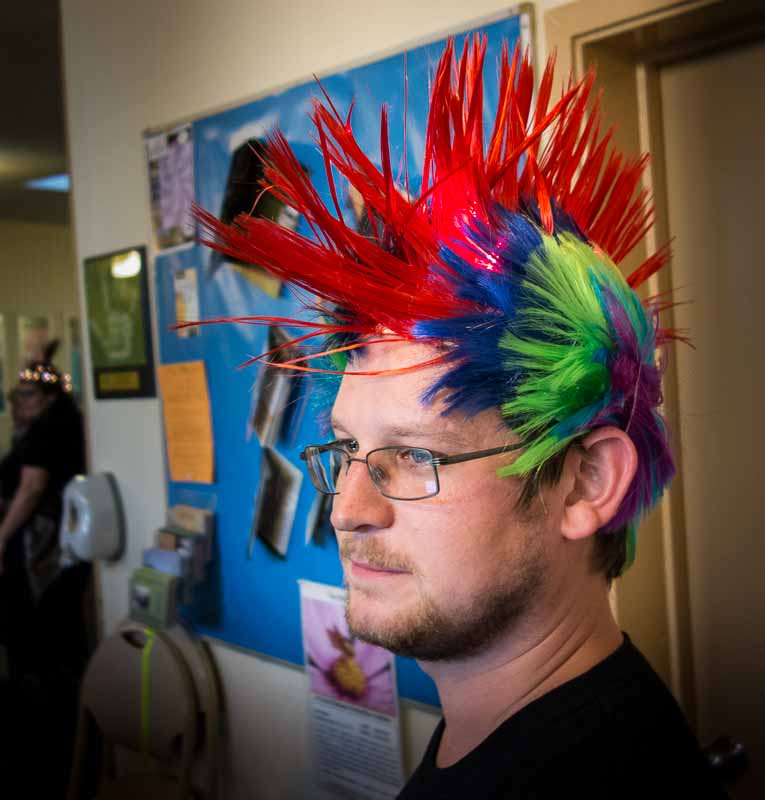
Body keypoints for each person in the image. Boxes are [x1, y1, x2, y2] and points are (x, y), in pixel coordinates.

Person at [195, 36, 726, 796]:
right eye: (346, 449)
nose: (346, 509)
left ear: (586, 482)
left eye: (414, 455)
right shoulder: (505, 738)